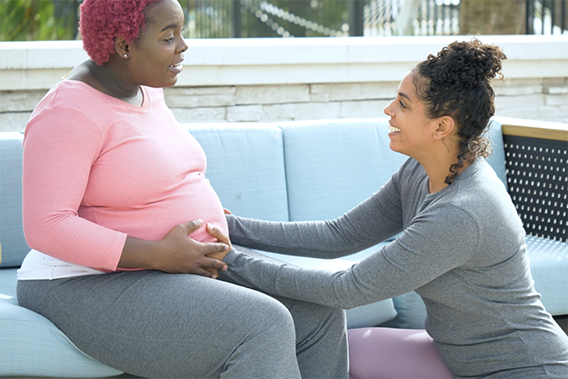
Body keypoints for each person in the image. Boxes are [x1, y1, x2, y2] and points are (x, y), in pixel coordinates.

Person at [16, 1, 348, 378]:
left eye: (181, 33)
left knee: (318, 312)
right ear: (124, 45)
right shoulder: (67, 112)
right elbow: (47, 226)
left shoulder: (144, 88)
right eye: (168, 37)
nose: (183, 46)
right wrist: (158, 254)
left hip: (168, 268)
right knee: (263, 324)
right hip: (81, 283)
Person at [208, 39, 568, 378]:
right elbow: (339, 235)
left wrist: (229, 260)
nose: (388, 110)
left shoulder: (462, 212)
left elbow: (347, 289)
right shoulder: (420, 171)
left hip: (526, 367)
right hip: (456, 358)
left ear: (441, 127)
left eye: (404, 104)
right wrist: (230, 226)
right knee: (334, 349)